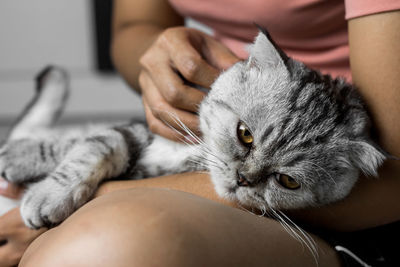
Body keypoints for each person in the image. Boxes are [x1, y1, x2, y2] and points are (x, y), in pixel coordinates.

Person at [0, 0, 399, 266]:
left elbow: (392, 185)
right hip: (232, 101)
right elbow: (134, 25)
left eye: (284, 177)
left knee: (94, 250)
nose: (245, 177)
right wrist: (164, 54)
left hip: (348, 213)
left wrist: (91, 195)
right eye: (245, 138)